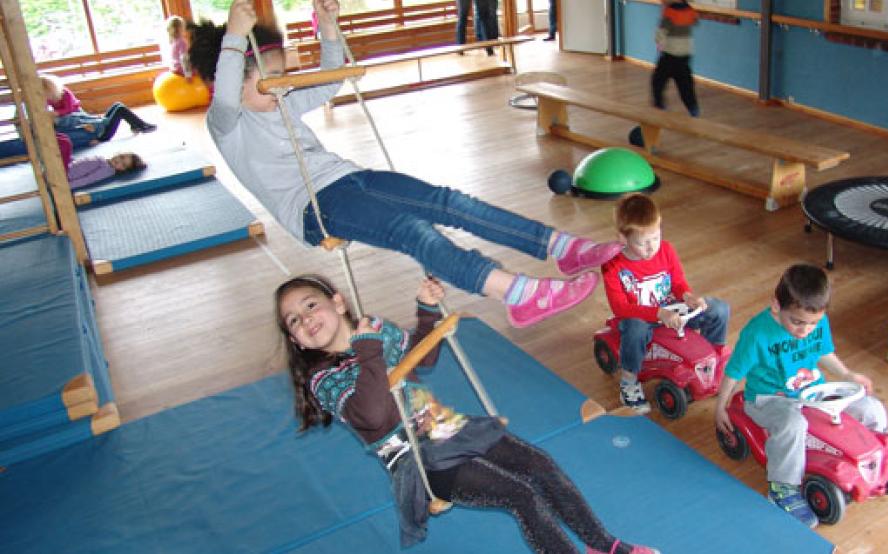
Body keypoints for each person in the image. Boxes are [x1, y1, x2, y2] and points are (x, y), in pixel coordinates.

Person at [188, 0, 622, 329]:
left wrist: (332, 29)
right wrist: (233, 36)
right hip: (312, 207)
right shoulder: (227, 122)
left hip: (348, 178)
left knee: (448, 202)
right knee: (413, 232)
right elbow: (227, 94)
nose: (280, 89)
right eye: (267, 82)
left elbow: (331, 78)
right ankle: (516, 292)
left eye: (283, 78)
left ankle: (560, 248)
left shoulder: (280, 100)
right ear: (226, 79)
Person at [276, 273, 659, 554]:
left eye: (310, 304)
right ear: (295, 339)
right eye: (294, 320)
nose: (306, 318)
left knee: (539, 465)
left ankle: (606, 547)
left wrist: (426, 311)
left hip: (446, 429)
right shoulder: (324, 379)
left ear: (338, 301)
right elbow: (374, 414)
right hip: (419, 462)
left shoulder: (374, 329)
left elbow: (421, 357)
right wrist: (368, 350)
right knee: (521, 495)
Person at [714, 264, 888, 528]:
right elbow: (734, 372)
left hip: (814, 392)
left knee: (870, 407)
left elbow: (823, 352)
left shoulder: (818, 322)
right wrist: (720, 407)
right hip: (770, 399)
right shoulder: (757, 333)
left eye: (812, 324)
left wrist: (847, 375)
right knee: (794, 423)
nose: (805, 330)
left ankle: (877, 447)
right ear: (777, 306)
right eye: (797, 322)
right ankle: (782, 488)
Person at [601, 193, 729, 414]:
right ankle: (629, 380)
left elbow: (677, 282)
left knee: (719, 308)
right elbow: (620, 308)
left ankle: (711, 360)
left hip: (672, 309)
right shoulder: (612, 265)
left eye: (656, 237)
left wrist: (688, 296)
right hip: (641, 318)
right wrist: (658, 314)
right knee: (636, 329)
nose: (652, 247)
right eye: (643, 243)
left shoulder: (666, 250)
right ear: (623, 238)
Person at [39, 73, 158, 147]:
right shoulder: (51, 103)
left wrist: (56, 113)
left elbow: (70, 109)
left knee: (117, 105)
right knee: (120, 109)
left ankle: (137, 125)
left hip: (83, 119)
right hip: (100, 134)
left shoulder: (64, 94)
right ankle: (141, 126)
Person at [651, 1, 699, 117]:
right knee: (685, 84)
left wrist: (659, 42)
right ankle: (693, 107)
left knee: (657, 80)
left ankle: (659, 104)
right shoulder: (689, 9)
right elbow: (695, 21)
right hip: (685, 54)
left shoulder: (670, 12)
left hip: (671, 54)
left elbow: (661, 32)